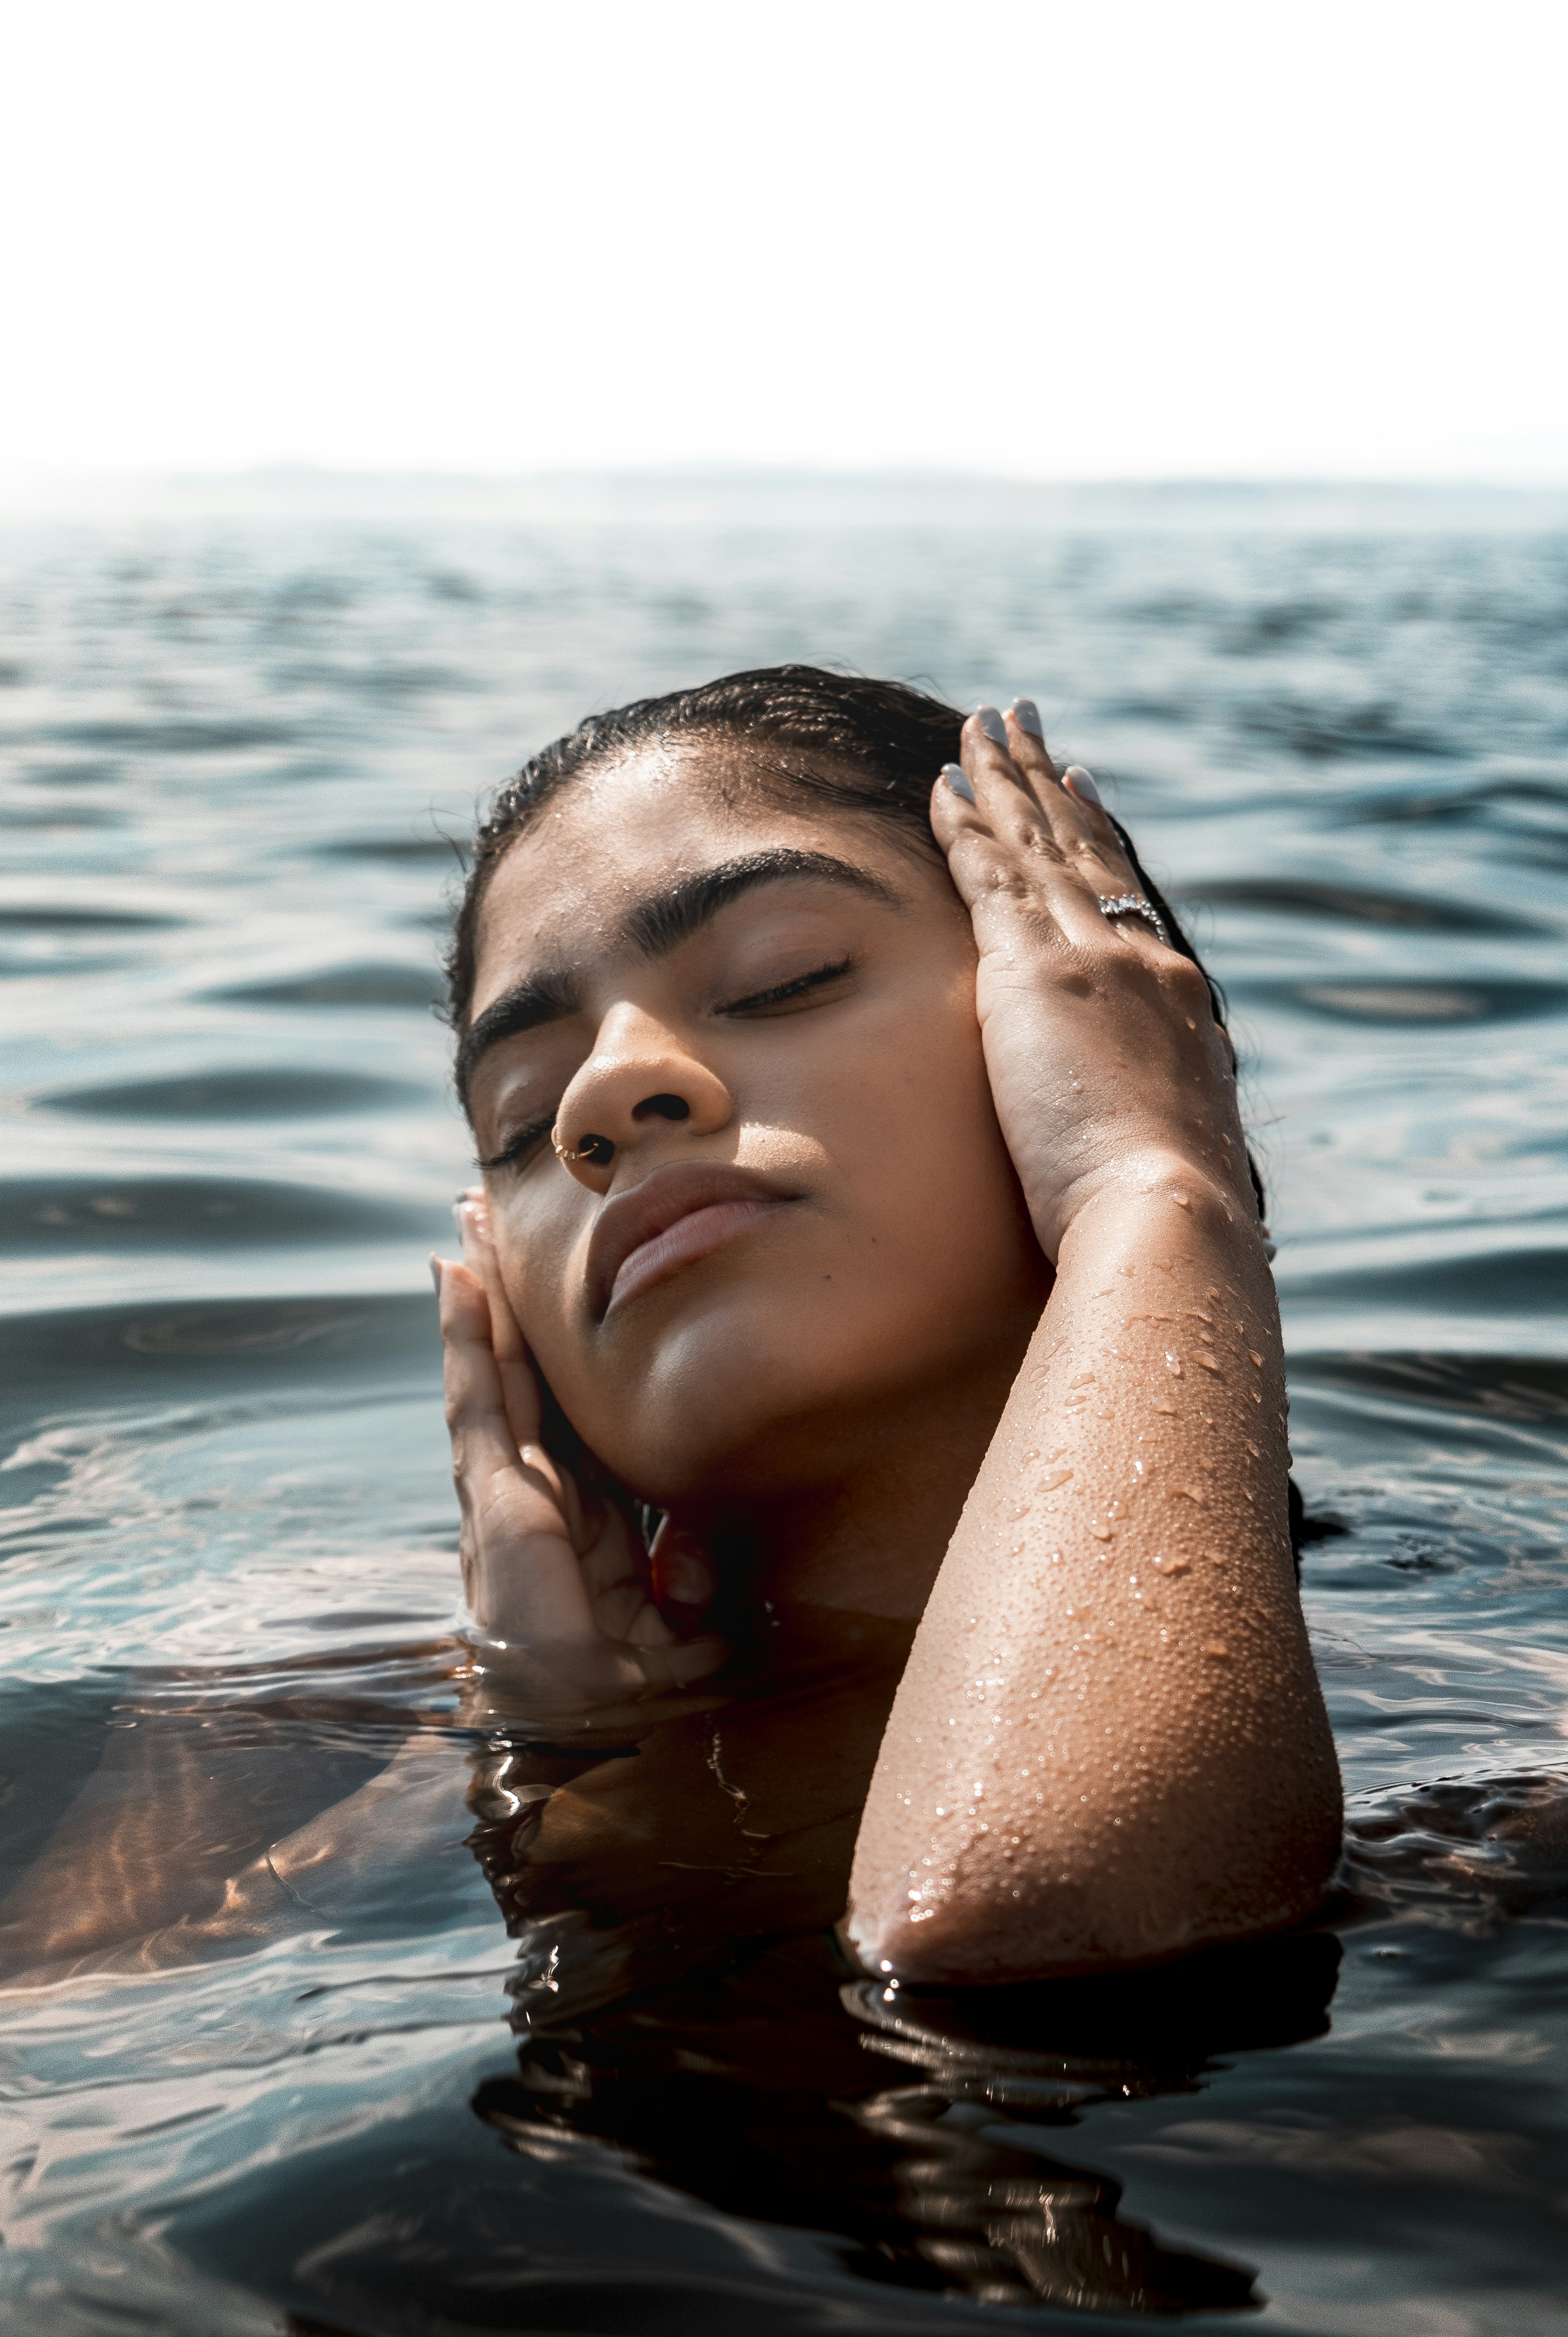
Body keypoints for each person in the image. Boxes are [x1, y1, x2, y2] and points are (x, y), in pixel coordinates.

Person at [435, 663, 1342, 1990]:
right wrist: (547, 1757)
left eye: (780, 977)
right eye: (524, 1120)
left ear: (1116, 1033)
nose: (606, 1096)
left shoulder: (1495, 1743)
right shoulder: (334, 1711)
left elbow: (1008, 1918)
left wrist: (1150, 1188)